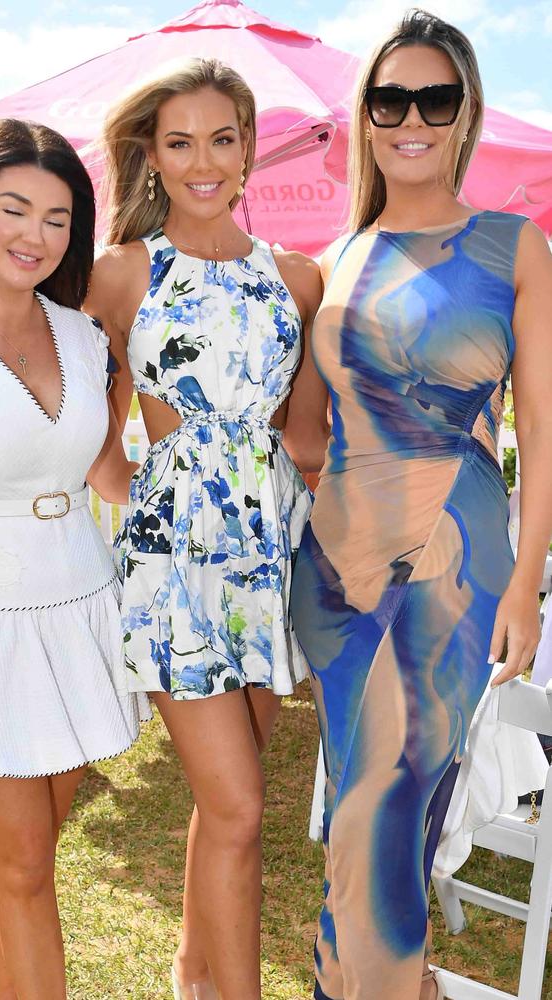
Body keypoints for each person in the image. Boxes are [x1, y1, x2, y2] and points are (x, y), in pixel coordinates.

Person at [289, 10, 552, 1000]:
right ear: (362, 116)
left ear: (463, 113)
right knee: (362, 828)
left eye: (432, 99)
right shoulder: (338, 254)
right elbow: (306, 430)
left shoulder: (512, 248)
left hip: (452, 563)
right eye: (387, 98)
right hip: (335, 573)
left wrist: (524, 581)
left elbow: (542, 432)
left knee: (380, 813)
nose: (409, 117)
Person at [85, 58, 325, 1000]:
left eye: (221, 139)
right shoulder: (121, 272)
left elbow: (305, 437)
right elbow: (80, 419)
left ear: (248, 147)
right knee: (239, 807)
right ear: (151, 153)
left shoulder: (297, 279)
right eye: (179, 142)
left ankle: (194, 974)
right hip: (175, 561)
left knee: (228, 804)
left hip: (270, 555)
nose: (202, 161)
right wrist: (129, 482)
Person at [0, 118, 148, 1000]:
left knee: (30, 865)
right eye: (14, 208)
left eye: (56, 218)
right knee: (25, 870)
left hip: (84, 608)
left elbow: (112, 478)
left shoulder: (85, 337)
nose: (34, 236)